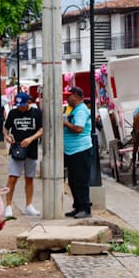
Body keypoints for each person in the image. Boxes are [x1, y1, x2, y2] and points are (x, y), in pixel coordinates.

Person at [3, 92, 43, 217]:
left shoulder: (36, 113)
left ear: (28, 103)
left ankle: (29, 205)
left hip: (31, 149)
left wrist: (31, 138)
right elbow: (6, 127)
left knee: (29, 178)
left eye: (23, 105)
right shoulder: (13, 113)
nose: (20, 108)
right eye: (18, 105)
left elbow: (41, 129)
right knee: (12, 177)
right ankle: (8, 206)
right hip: (17, 149)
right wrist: (7, 135)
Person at [62, 86, 91, 219]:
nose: (67, 98)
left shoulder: (81, 110)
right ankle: (78, 206)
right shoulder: (74, 109)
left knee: (80, 180)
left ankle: (85, 209)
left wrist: (65, 123)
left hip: (80, 150)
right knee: (73, 180)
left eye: (69, 95)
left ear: (77, 96)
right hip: (72, 151)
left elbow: (79, 128)